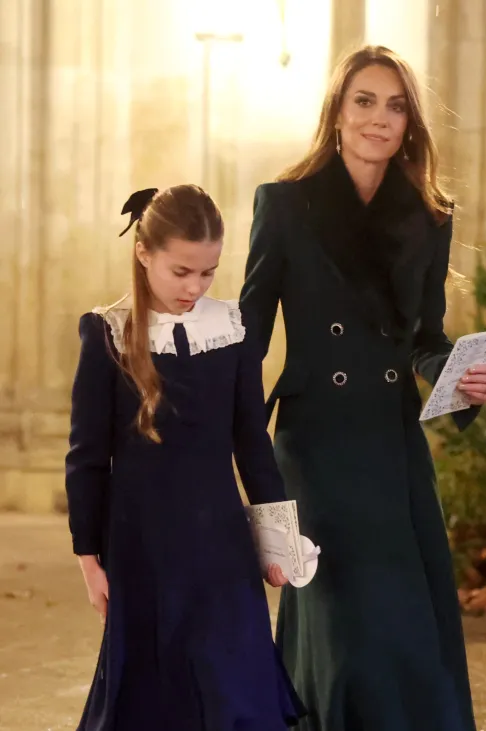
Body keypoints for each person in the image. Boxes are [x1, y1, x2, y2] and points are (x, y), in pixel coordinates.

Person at [239, 45, 486, 731]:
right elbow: (252, 334)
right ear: (337, 111)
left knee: (403, 623)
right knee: (344, 624)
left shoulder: (430, 215)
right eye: (364, 101)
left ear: (410, 122)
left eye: (394, 105)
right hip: (314, 441)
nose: (379, 118)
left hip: (390, 439)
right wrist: (210, 422)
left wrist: (460, 375)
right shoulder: (285, 205)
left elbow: (425, 338)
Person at [65, 185, 303, 731]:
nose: (194, 287)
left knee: (236, 679)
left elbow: (251, 439)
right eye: (181, 271)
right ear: (144, 253)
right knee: (153, 689)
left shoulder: (233, 327)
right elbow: (87, 455)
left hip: (220, 538)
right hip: (140, 543)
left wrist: (278, 538)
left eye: (208, 272)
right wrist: (88, 556)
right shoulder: (107, 332)